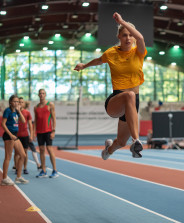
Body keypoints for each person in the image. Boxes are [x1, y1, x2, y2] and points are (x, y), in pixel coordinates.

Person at [74, 12, 147, 160]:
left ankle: (108, 150)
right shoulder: (111, 53)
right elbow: (98, 60)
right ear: (119, 37)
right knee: (129, 95)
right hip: (116, 101)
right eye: (124, 35)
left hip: (132, 104)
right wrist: (84, 66)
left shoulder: (138, 52)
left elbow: (140, 38)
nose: (128, 38)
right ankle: (136, 141)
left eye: (130, 35)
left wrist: (122, 21)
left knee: (120, 142)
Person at [1, 95, 29, 185]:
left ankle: (18, 177)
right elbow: (3, 124)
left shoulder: (16, 111)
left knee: (23, 155)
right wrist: (10, 135)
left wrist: (19, 111)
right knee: (8, 157)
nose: (16, 103)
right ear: (10, 102)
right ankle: (4, 178)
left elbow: (23, 121)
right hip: (9, 136)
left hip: (15, 136)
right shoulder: (7, 111)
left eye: (17, 102)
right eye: (14, 101)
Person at [34, 89, 58, 178]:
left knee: (49, 149)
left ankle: (55, 170)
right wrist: (34, 133)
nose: (41, 95)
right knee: (41, 150)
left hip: (48, 131)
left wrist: (53, 131)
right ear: (38, 95)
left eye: (43, 93)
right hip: (39, 132)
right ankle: (43, 170)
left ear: (45, 95)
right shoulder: (36, 107)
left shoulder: (50, 105)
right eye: (40, 93)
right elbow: (35, 121)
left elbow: (54, 118)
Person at [14, 99, 41, 173]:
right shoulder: (14, 112)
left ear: (24, 104)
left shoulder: (27, 113)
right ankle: (17, 168)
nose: (20, 103)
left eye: (22, 102)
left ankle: (25, 168)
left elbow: (30, 125)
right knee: (17, 153)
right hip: (16, 135)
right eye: (19, 102)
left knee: (25, 153)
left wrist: (31, 135)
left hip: (25, 135)